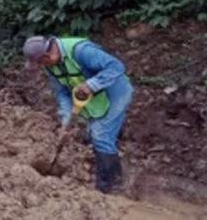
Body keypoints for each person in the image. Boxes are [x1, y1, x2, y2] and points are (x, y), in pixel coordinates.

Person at [23, 35, 133, 193]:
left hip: (116, 92)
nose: (42, 67)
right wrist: (66, 122)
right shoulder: (51, 66)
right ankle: (115, 137)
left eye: (41, 63)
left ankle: (110, 187)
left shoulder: (82, 51)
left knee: (100, 136)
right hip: (95, 100)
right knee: (92, 133)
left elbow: (116, 67)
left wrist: (91, 84)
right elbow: (62, 94)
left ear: (47, 56)